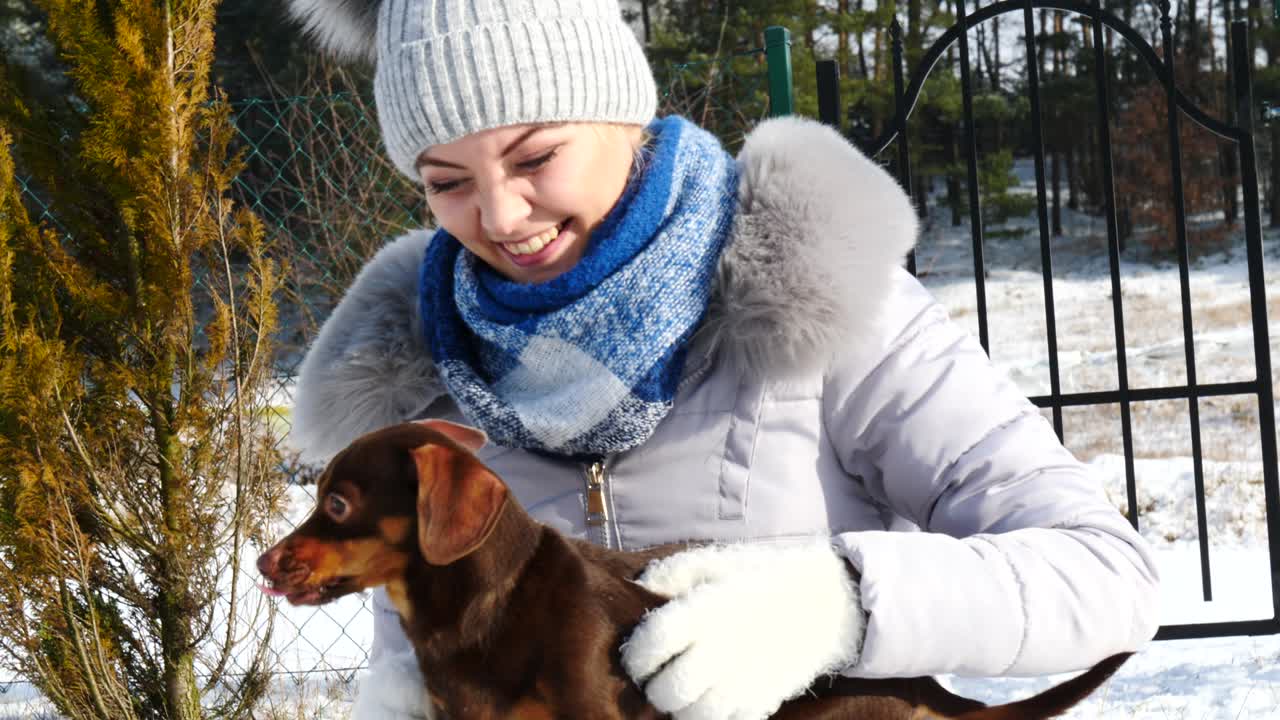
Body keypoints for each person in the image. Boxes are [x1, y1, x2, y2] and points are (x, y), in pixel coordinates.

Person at [282, 1, 1161, 718]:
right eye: (447, 182)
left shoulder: (820, 298)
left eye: (537, 156)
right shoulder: (425, 384)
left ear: (623, 114)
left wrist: (837, 604)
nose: (503, 215)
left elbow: (1104, 575)